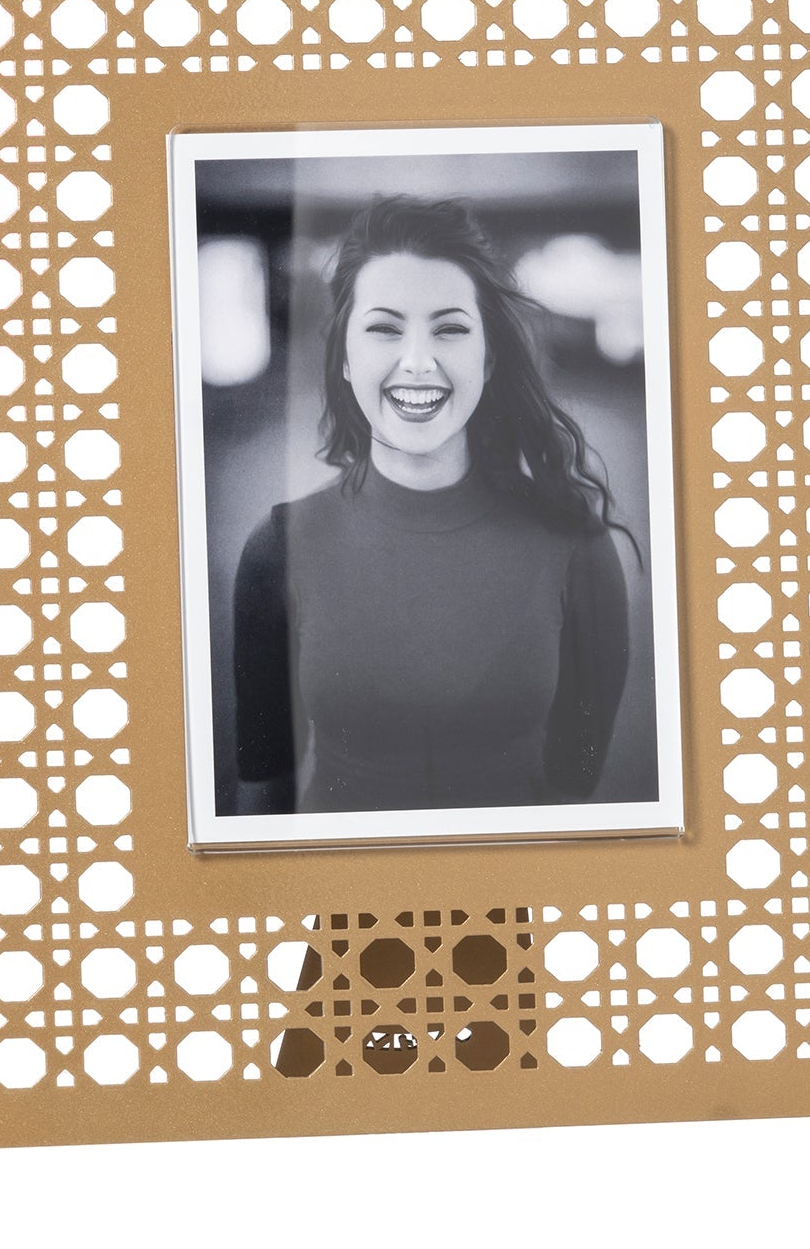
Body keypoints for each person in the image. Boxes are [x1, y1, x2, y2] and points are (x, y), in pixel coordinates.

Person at [232, 195, 634, 816]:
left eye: (449, 328)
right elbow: (262, 801)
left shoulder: (575, 547)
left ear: (489, 357)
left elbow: (576, 785)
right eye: (384, 328)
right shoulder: (276, 551)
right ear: (344, 358)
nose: (418, 362)